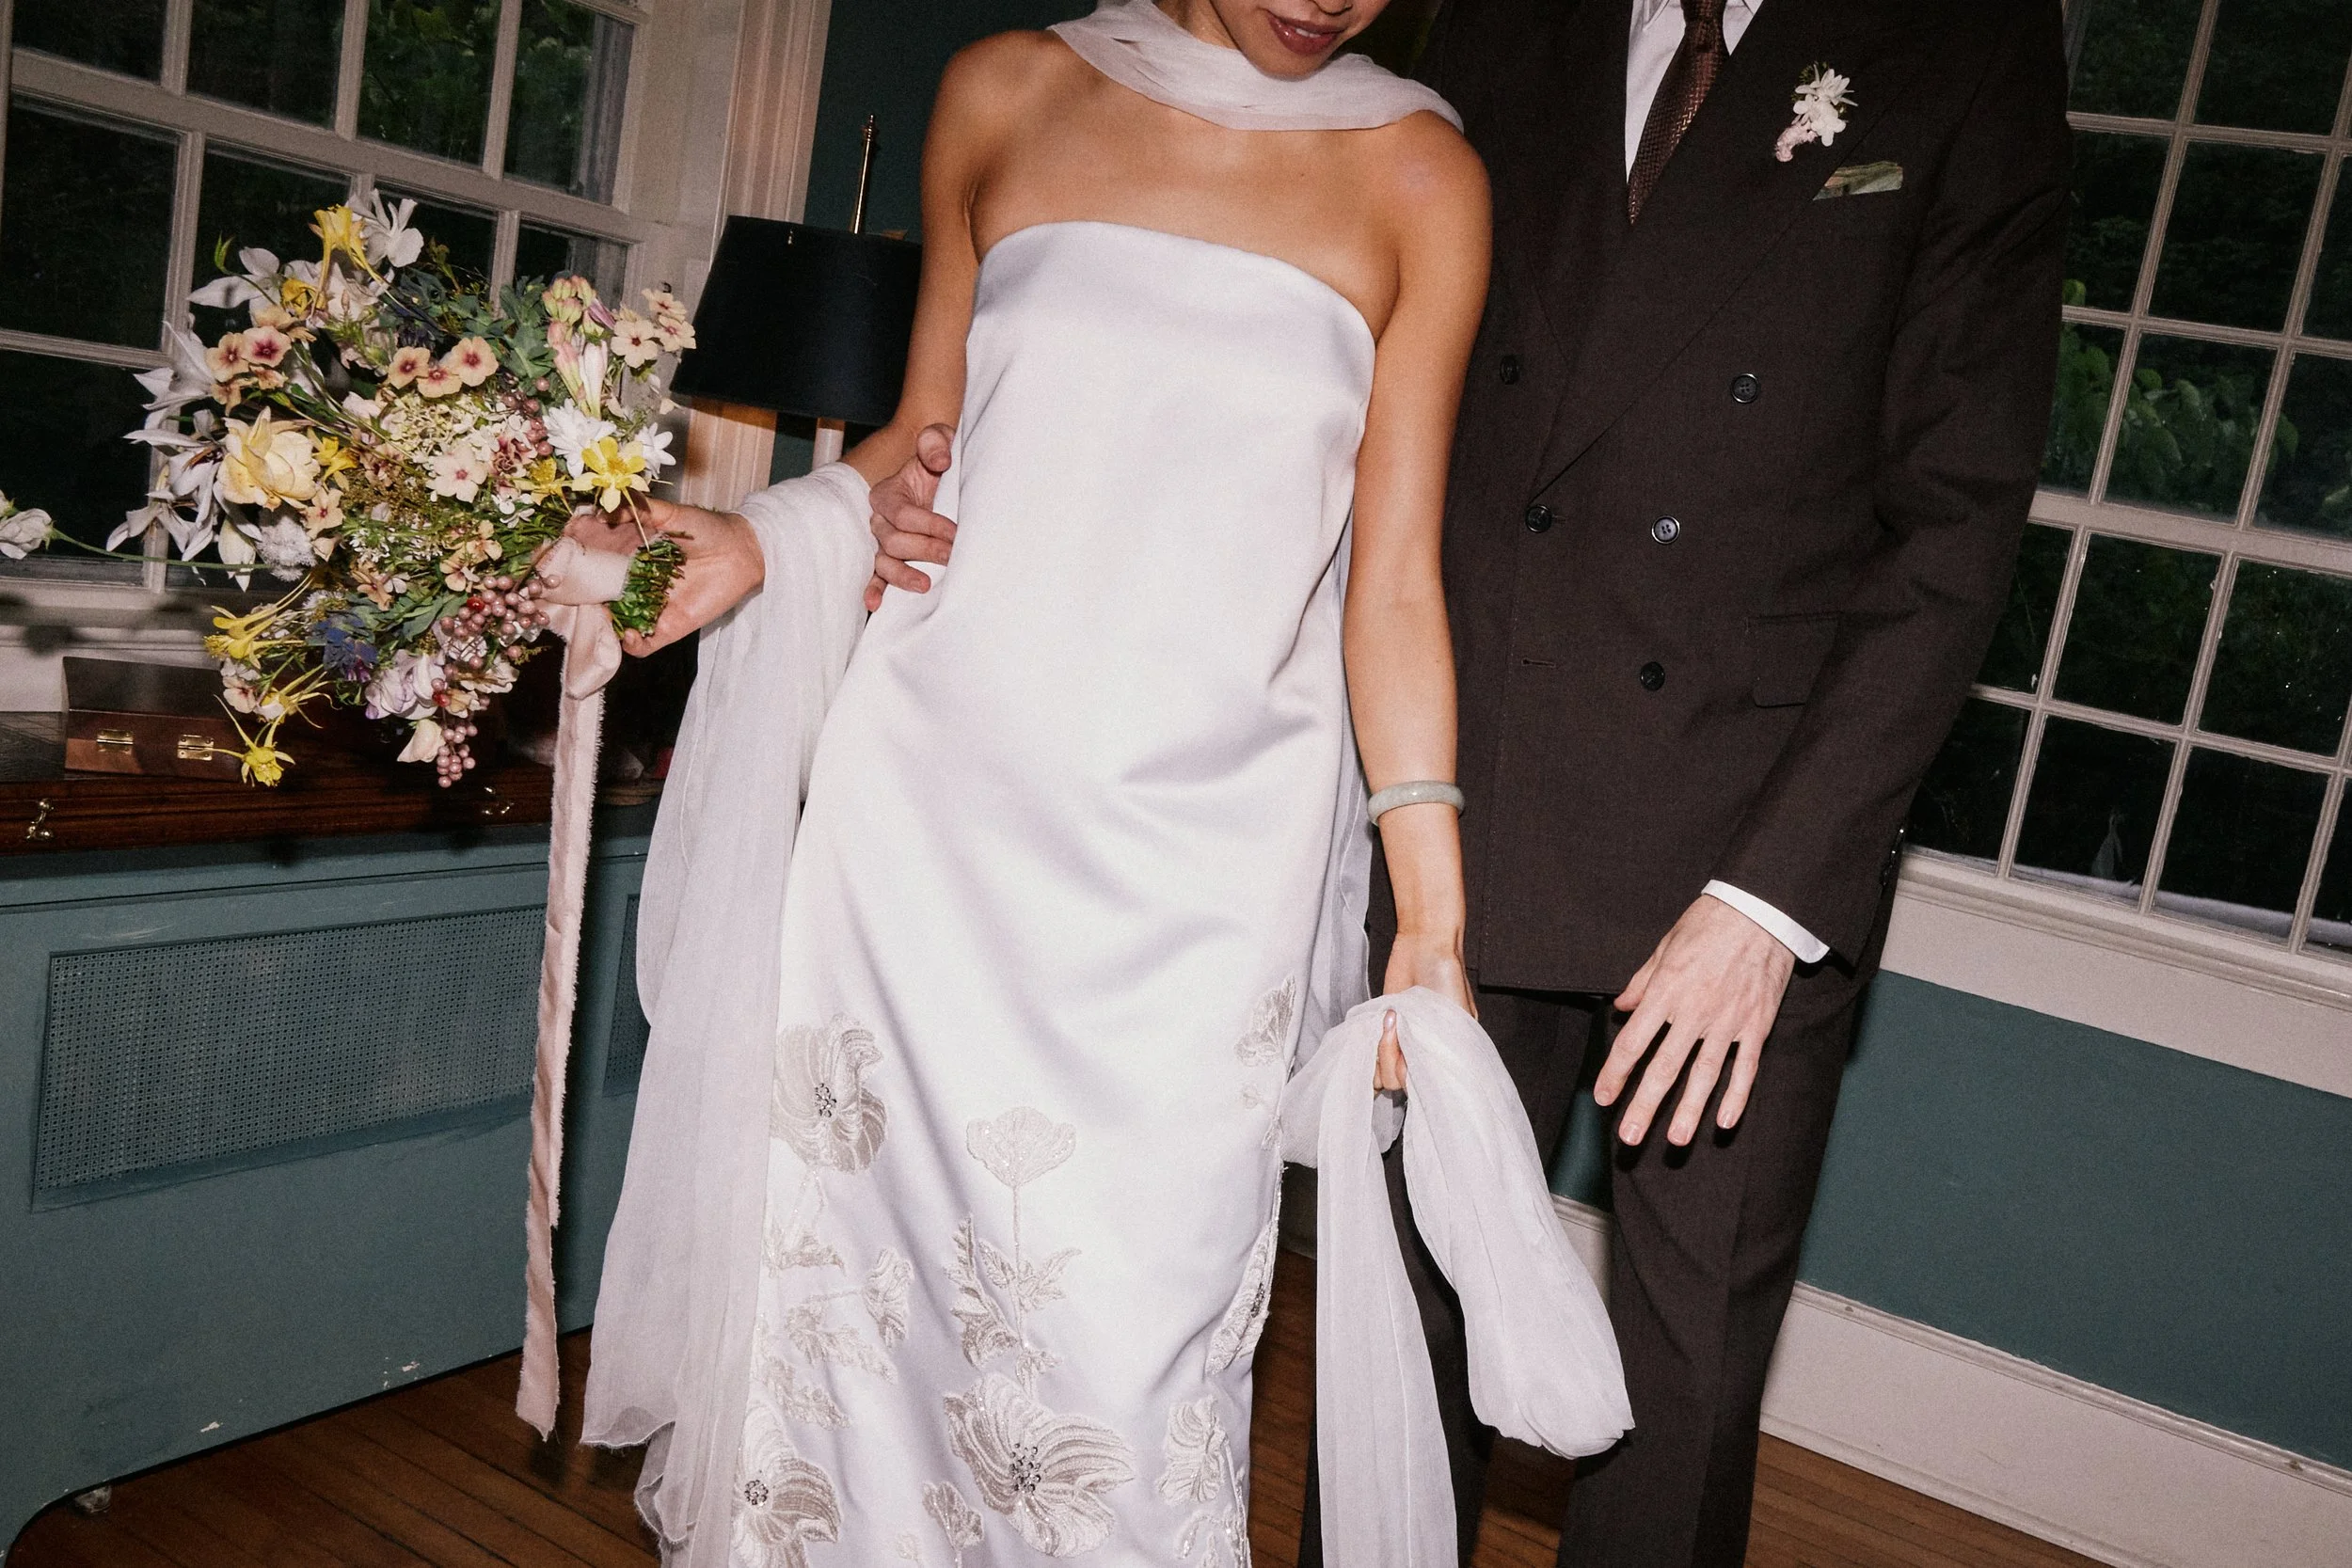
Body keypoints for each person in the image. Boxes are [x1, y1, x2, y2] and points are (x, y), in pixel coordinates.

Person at [871, 0, 2072, 1563]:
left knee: (1679, 1374)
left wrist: (1773, 902)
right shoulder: (1488, 21)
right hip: (1461, 793)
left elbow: (1959, 524)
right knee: (1400, 1323)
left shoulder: (1964, 43)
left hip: (1749, 837)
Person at [569, 3, 1624, 1564]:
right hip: (925, 832)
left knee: (1127, 1375)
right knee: (861, 1339)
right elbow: (922, 453)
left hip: (1201, 883)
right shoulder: (1005, 93)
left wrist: (1435, 913)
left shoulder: (1421, 179)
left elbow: (1392, 578)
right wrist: (753, 541)